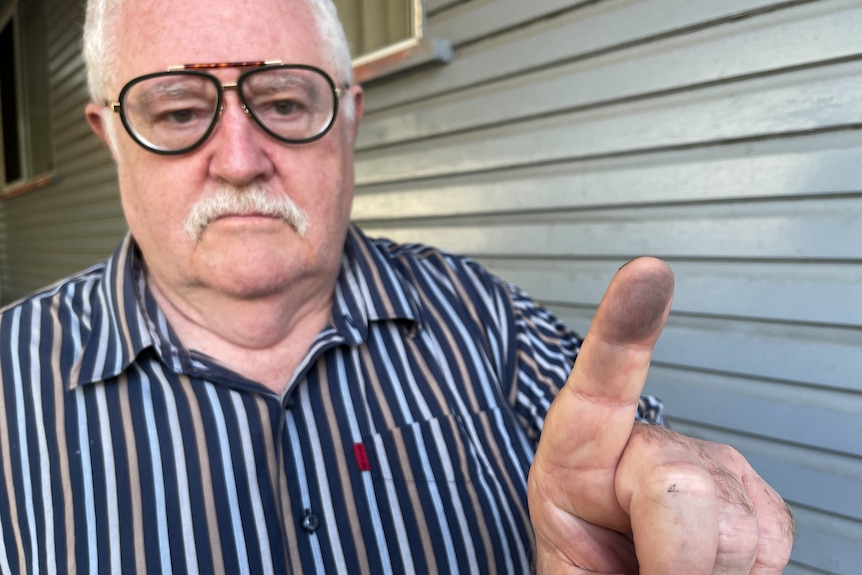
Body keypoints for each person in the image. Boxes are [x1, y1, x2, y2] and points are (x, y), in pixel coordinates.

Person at [0, 0, 794, 572]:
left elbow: (628, 460)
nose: (239, 159)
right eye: (177, 112)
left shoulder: (485, 321)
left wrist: (670, 492)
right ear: (110, 134)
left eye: (283, 101)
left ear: (348, 117)